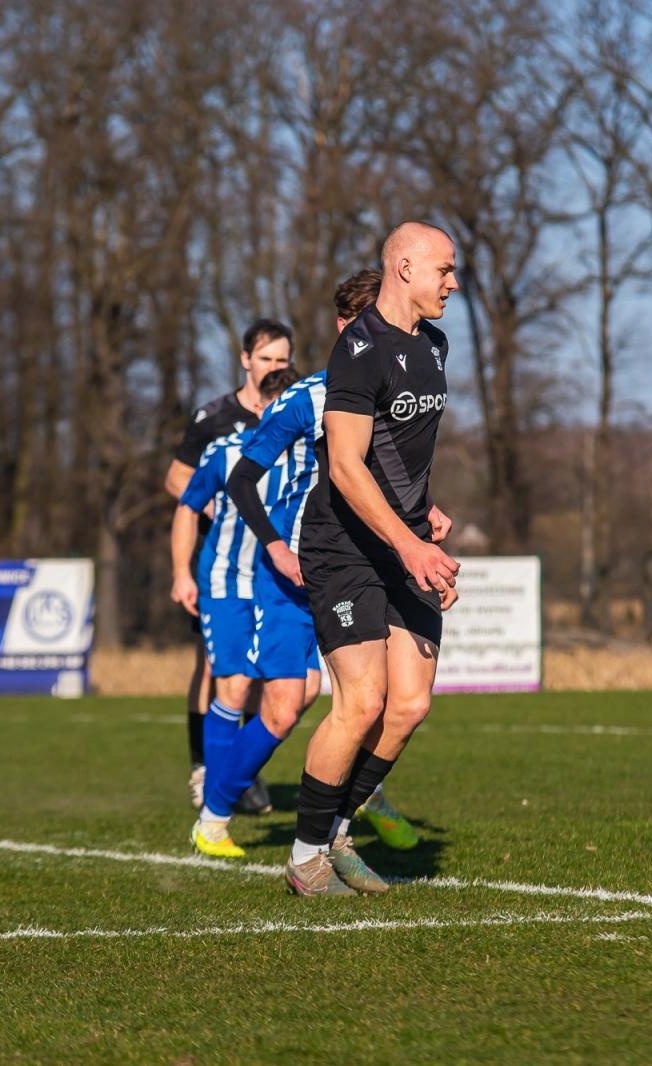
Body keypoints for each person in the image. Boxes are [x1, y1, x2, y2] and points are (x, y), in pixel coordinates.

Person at [211, 270, 433, 866]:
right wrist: (275, 547)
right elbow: (240, 477)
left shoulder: (401, 382)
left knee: (389, 703)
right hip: (304, 564)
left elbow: (392, 476)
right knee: (293, 702)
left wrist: (423, 515)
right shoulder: (307, 396)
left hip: (371, 559)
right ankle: (217, 808)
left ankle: (351, 812)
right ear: (346, 326)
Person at [284, 222, 462, 896]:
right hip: (343, 545)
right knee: (361, 701)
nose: (452, 283)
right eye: (444, 270)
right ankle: (305, 856)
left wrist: (427, 510)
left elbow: (402, 453)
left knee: (409, 705)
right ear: (405, 266)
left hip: (402, 541)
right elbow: (348, 468)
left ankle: (336, 830)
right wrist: (410, 541)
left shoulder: (436, 345)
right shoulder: (356, 350)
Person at [171, 367, 300, 857]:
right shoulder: (226, 453)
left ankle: (227, 788)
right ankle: (215, 807)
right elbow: (187, 507)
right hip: (226, 586)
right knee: (235, 686)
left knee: (298, 693)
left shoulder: (308, 459)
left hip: (278, 590)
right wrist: (182, 571)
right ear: (263, 410)